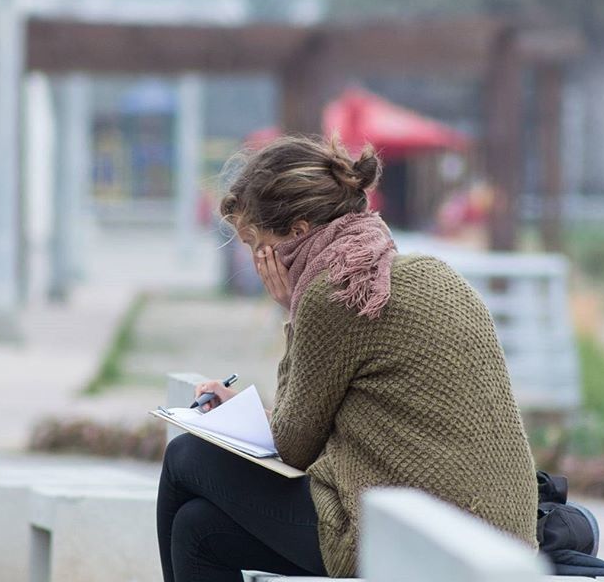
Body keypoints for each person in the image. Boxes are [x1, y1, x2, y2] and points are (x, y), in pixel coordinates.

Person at [156, 135, 539, 582]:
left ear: (298, 233)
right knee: (198, 531)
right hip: (497, 532)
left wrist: (293, 311)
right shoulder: (425, 272)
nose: (254, 262)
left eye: (253, 244)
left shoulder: (332, 293)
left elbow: (293, 448)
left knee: (186, 456)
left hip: (402, 533)